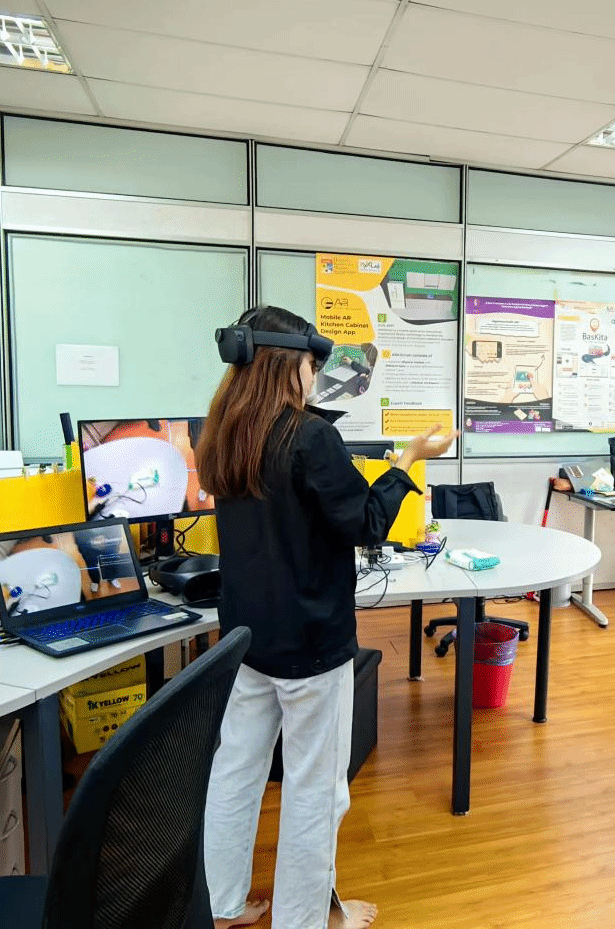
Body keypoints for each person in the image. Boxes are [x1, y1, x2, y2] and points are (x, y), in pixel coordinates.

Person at [196, 306, 456, 929]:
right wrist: (407, 459)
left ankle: (222, 904)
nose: (315, 378)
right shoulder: (308, 436)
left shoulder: (225, 429)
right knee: (315, 789)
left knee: (236, 770)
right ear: (291, 366)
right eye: (312, 366)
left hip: (246, 638)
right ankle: (303, 920)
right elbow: (365, 522)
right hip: (311, 644)